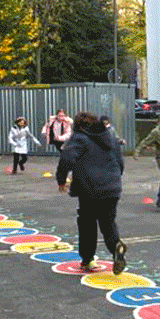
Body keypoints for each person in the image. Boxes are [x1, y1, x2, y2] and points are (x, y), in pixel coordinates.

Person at [56, 111, 128, 274]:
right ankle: (115, 246)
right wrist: (114, 179)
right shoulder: (109, 135)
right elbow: (120, 161)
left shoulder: (80, 137)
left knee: (87, 222)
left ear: (78, 125)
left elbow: (66, 158)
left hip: (90, 188)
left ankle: (87, 259)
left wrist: (61, 180)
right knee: (108, 221)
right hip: (112, 187)